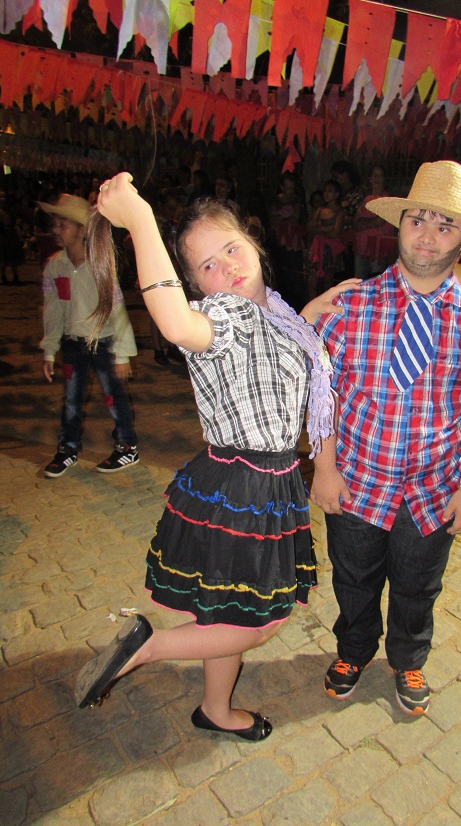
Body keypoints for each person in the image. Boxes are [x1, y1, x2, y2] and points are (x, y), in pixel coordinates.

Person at [74, 172, 360, 741]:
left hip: (253, 481)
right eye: (207, 266)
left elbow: (276, 356)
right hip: (245, 486)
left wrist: (310, 315)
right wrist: (140, 225)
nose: (226, 266)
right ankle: (146, 647)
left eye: (231, 248)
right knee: (261, 622)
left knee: (229, 610)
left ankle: (215, 710)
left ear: (253, 242)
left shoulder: (275, 313)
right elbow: (178, 322)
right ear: (195, 284)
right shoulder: (224, 318)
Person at [310, 161, 461, 716]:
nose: (428, 235)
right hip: (356, 481)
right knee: (354, 580)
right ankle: (354, 649)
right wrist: (324, 469)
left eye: (445, 226)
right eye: (418, 220)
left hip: (433, 489)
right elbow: (321, 395)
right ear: (399, 224)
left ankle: (408, 657)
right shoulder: (350, 305)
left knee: (418, 586)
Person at [39, 194, 139, 478]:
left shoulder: (100, 264)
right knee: (71, 398)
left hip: (105, 341)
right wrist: (49, 349)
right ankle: (67, 448)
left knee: (114, 395)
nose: (56, 229)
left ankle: (127, 445)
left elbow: (117, 308)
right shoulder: (54, 266)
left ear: (83, 230)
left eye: (64, 224)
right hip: (73, 343)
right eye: (55, 224)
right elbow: (53, 310)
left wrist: (122, 353)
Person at [352, 165, 395, 279]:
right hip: (362, 247)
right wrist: (365, 222)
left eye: (380, 176)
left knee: (376, 282)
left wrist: (363, 222)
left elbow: (379, 222)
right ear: (370, 179)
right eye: (375, 175)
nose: (377, 178)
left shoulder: (388, 200)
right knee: (359, 282)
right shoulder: (366, 199)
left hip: (378, 249)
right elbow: (355, 223)